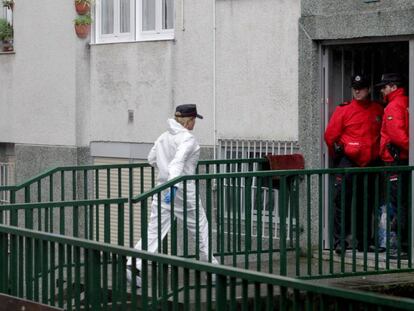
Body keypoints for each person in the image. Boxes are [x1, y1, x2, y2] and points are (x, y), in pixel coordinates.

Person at [126, 104, 218, 286]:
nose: (194, 124)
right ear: (189, 120)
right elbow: (177, 164)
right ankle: (211, 269)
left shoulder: (163, 137)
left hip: (162, 190)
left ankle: (133, 265)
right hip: (182, 190)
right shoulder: (188, 139)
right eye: (193, 120)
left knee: (155, 230)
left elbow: (151, 159)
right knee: (200, 227)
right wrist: (174, 185)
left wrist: (166, 176)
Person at [324, 74, 383, 254]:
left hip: (370, 163)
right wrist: (339, 158)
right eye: (355, 87)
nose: (357, 91)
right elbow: (330, 137)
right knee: (342, 202)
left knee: (366, 203)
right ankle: (339, 242)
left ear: (369, 89)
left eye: (362, 87)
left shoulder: (377, 110)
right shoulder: (344, 110)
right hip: (348, 162)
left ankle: (364, 241)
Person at [375, 73, 409, 258]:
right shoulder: (406, 102)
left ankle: (394, 246)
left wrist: (410, 149)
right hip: (403, 160)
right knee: (402, 202)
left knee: (394, 204)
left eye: (384, 86)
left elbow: (397, 136)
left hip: (394, 161)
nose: (381, 90)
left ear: (393, 87)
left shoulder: (394, 105)